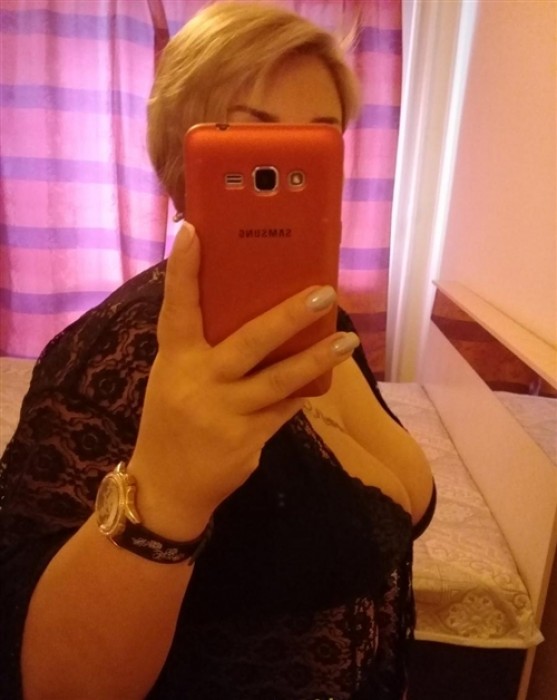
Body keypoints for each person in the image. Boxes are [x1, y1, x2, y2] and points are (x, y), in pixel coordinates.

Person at [0, 2, 435, 699]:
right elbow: (55, 685)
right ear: (186, 157)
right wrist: (167, 489)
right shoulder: (114, 356)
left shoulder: (319, 319)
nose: (286, 168)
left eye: (317, 142)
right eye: (253, 135)